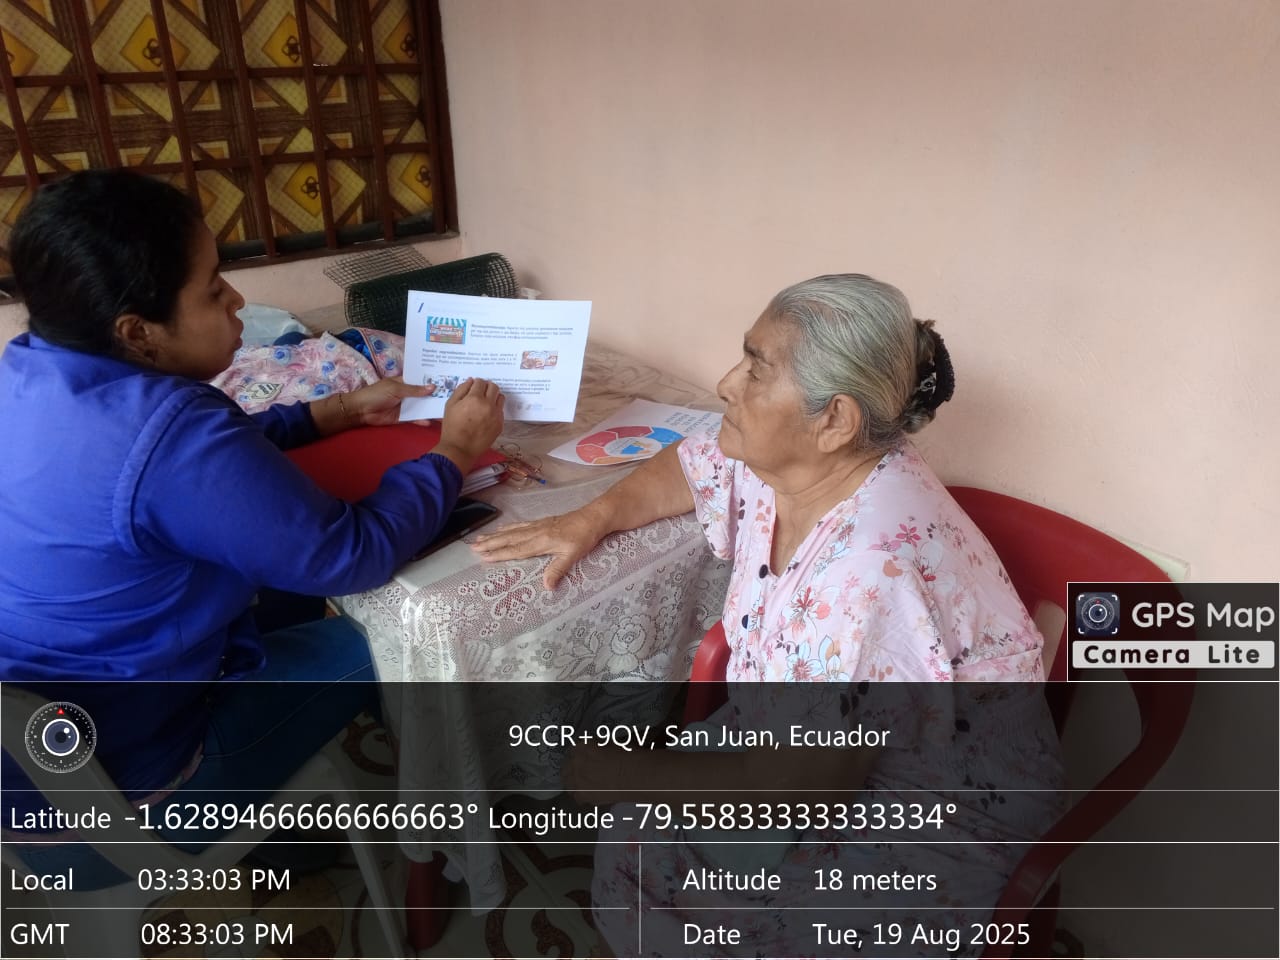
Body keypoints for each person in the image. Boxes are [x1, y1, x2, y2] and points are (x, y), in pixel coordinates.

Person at [474, 274, 1064, 956]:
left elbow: (802, 791)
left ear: (835, 419)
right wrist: (592, 517)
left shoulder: (866, 570)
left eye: (756, 369)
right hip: (810, 745)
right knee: (639, 839)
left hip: (936, 809)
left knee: (682, 887)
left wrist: (624, 774)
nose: (727, 383)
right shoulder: (793, 462)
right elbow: (693, 465)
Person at [0, 169, 504, 878]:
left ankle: (283, 784)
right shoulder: (172, 433)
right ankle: (392, 834)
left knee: (295, 589)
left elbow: (185, 464)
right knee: (407, 641)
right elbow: (352, 554)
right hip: (128, 805)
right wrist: (455, 452)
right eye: (212, 289)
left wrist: (333, 411)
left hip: (36, 761)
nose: (238, 300)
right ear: (137, 332)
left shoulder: (30, 370)